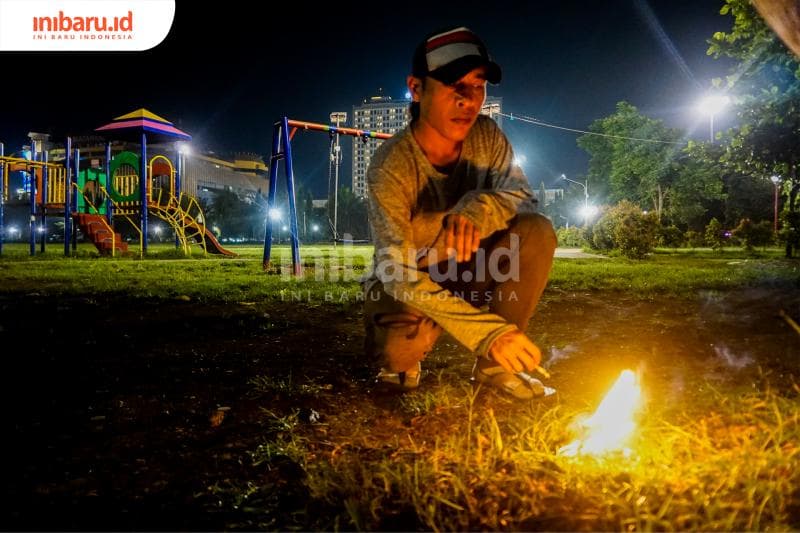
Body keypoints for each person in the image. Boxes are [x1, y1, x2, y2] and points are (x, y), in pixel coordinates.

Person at [362, 26, 557, 400]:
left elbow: (524, 199)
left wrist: (476, 210)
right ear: (417, 89)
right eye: (455, 86)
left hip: (470, 269)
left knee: (537, 231)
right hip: (413, 278)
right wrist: (488, 333)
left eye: (479, 85)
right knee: (398, 355)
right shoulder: (391, 166)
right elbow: (396, 272)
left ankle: (494, 370)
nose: (470, 100)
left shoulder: (486, 137)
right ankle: (405, 352)